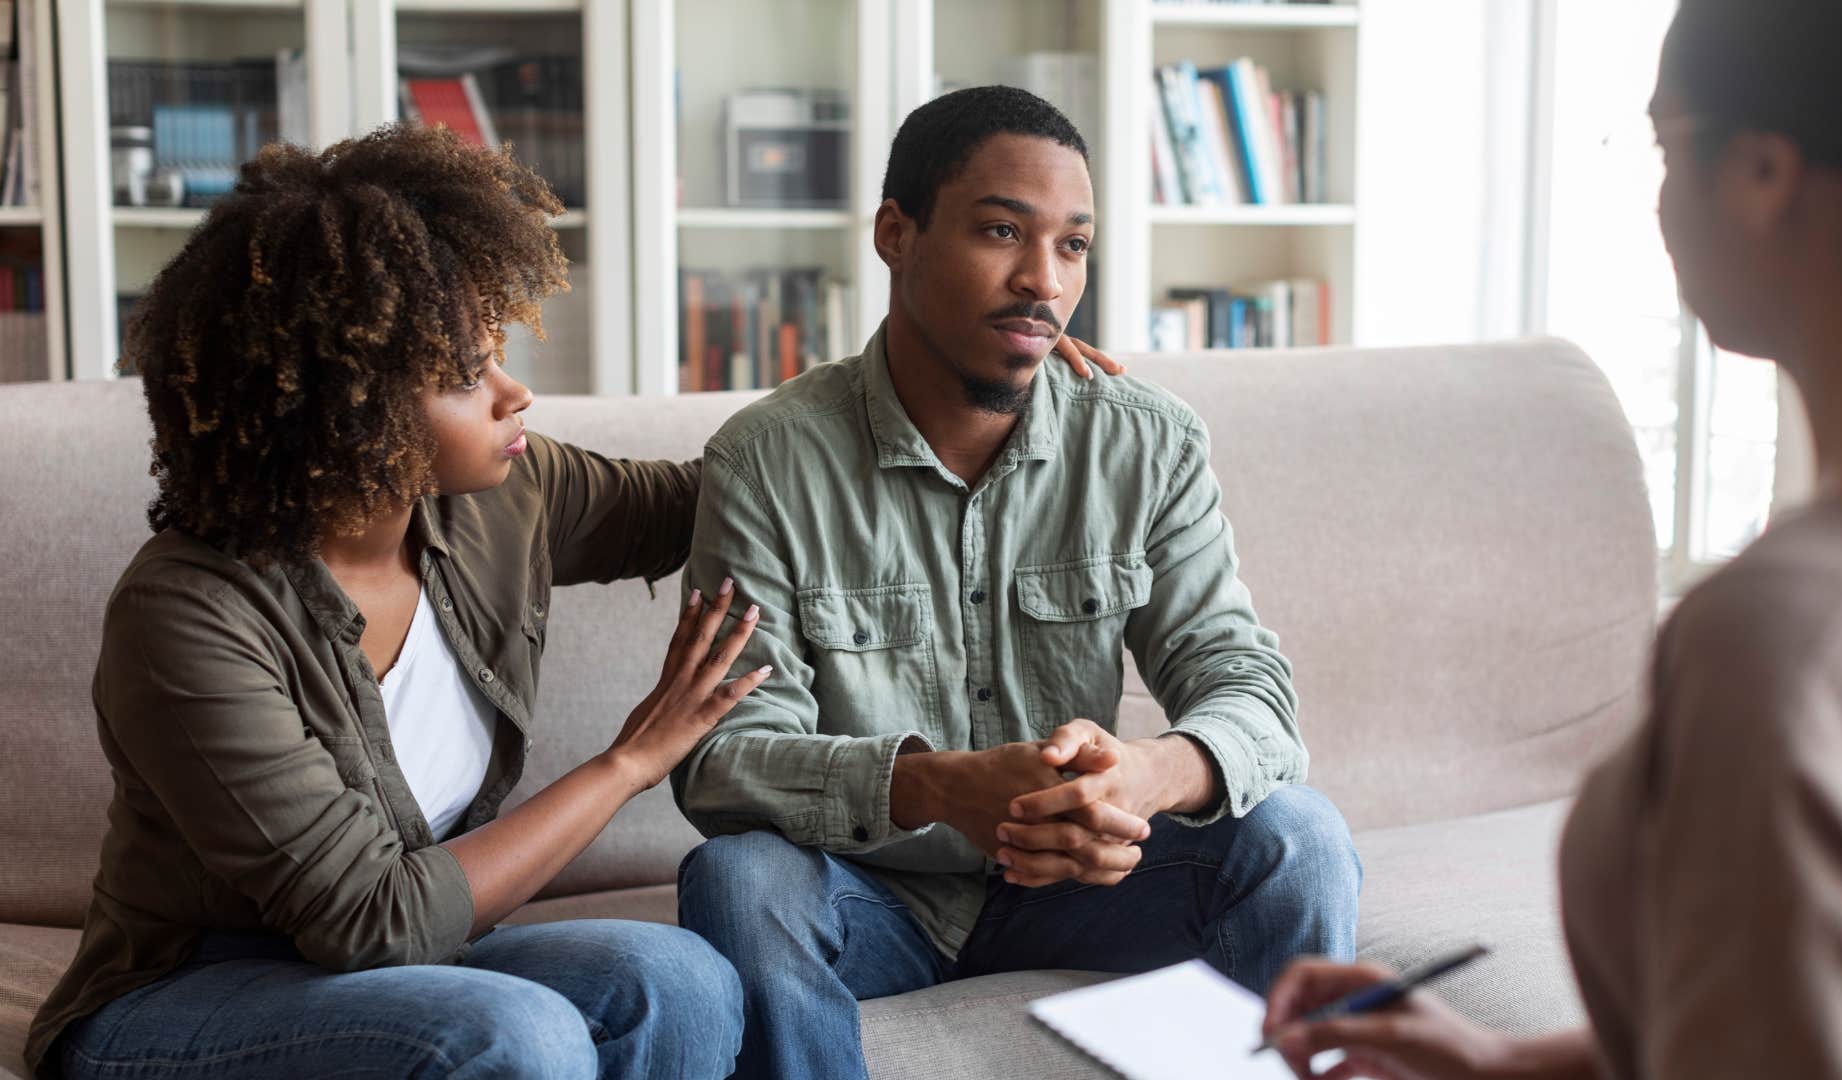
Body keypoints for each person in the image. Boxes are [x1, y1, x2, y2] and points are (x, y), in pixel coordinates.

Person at [20, 124, 1126, 1080]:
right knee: (515, 1034)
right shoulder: (189, 620)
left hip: (418, 965)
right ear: (337, 405)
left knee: (684, 980)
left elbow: (753, 493)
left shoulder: (499, 498)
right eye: (466, 374)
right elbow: (376, 922)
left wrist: (966, 372)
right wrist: (630, 762)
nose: (516, 393)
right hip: (182, 997)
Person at [1261, 2, 1842, 1077]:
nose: (1658, 202)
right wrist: (1507, 1065)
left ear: (1762, 174)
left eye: (1665, 145)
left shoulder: (1790, 635)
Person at [670, 85, 1362, 1080]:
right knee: (737, 881)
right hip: (874, 899)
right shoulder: (767, 460)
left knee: (1299, 837)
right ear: (896, 235)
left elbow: (1252, 692)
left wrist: (1147, 774)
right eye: (1003, 231)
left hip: (1095, 885)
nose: (1042, 280)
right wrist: (941, 788)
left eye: (1072, 246)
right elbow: (726, 759)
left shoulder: (1145, 442)